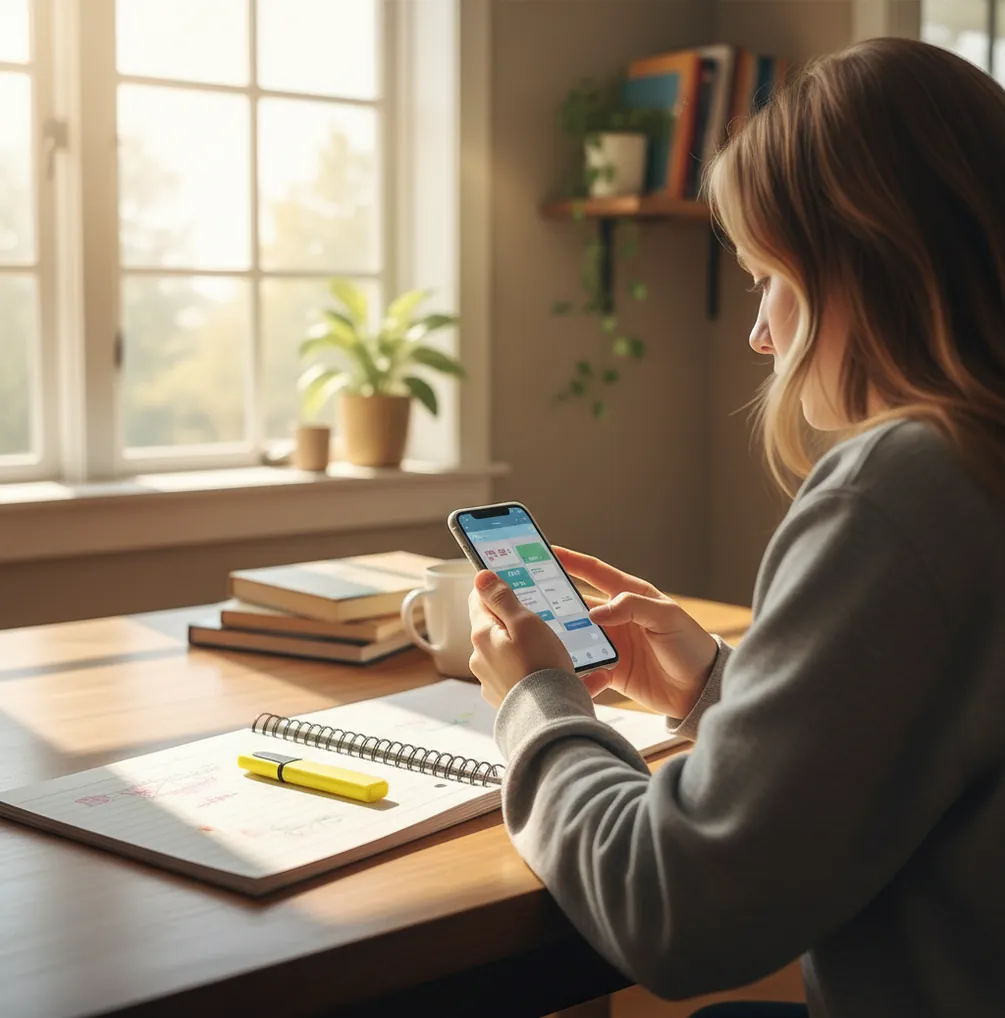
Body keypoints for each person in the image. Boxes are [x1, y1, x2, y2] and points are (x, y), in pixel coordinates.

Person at [467, 37, 1005, 1018]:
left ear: (865, 263)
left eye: (767, 276)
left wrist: (537, 705)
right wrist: (720, 690)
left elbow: (672, 908)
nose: (760, 333)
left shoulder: (906, 489)